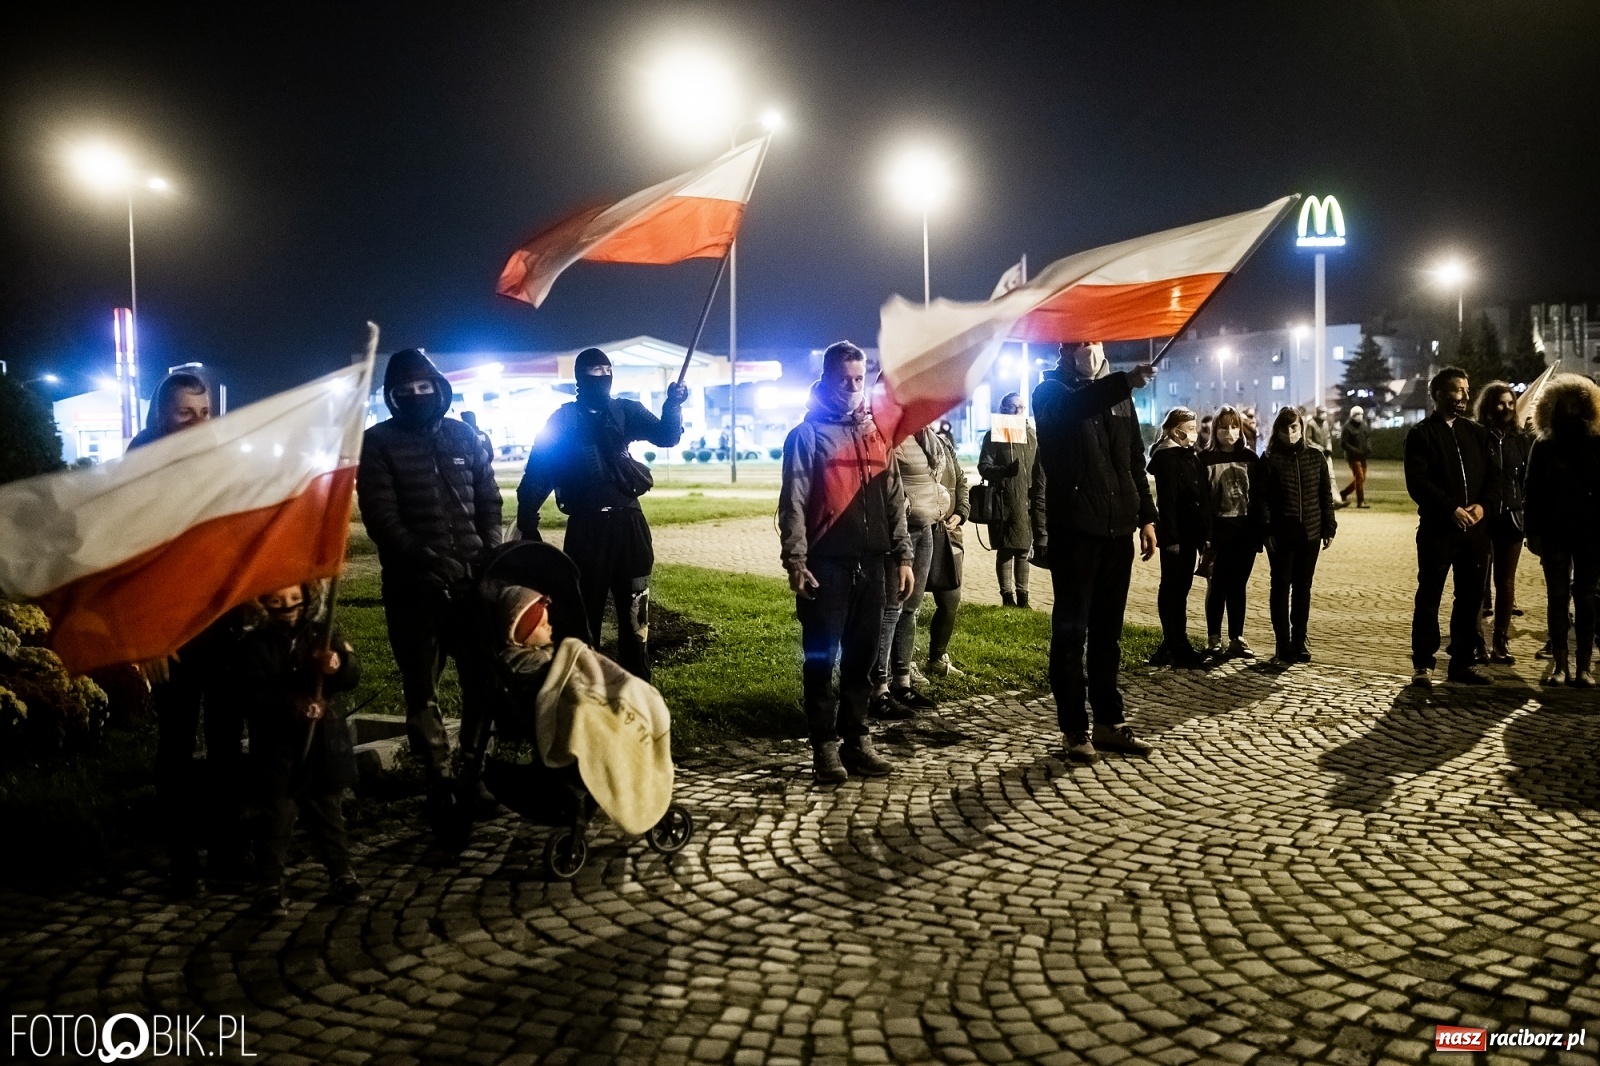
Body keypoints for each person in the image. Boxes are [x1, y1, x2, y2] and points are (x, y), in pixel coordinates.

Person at [357, 348, 504, 816]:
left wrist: (489, 550)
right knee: (422, 689)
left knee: (484, 680)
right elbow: (381, 515)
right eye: (405, 391)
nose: (417, 396)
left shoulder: (465, 436)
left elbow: (490, 500)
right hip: (412, 589)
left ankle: (472, 773)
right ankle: (437, 778)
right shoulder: (377, 444)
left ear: (439, 388)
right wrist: (421, 557)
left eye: (424, 388)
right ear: (392, 396)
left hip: (472, 584)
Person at [128, 371, 249, 895]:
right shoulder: (137, 470)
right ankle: (182, 861)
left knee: (227, 743)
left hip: (222, 624)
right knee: (175, 747)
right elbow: (133, 560)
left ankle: (227, 851)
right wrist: (148, 636)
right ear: (162, 415)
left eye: (204, 414)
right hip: (171, 632)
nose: (198, 424)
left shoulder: (222, 461)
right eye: (186, 414)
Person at [779, 342, 913, 783]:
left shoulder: (877, 433)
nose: (854, 388)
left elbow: (894, 499)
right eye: (845, 380)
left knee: (862, 660)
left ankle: (857, 742)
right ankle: (824, 749)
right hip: (826, 566)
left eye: (860, 380)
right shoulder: (807, 435)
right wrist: (796, 561)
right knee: (821, 660)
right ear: (827, 378)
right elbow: (793, 504)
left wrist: (903, 556)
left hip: (872, 567)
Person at [517, 348, 688, 681]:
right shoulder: (562, 420)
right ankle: (585, 686)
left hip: (630, 527)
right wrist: (528, 520)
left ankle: (638, 688)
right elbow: (539, 473)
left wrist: (673, 405)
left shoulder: (624, 410)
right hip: (587, 530)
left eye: (606, 370)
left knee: (636, 613)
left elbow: (667, 436)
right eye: (594, 371)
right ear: (580, 377)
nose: (601, 376)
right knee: (583, 616)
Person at [1031, 342, 1158, 762]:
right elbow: (1073, 412)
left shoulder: (1116, 395)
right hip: (1076, 530)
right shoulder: (1050, 392)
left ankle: (1109, 721)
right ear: (1065, 350)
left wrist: (1146, 517)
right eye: (1081, 343)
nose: (1089, 349)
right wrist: (1123, 383)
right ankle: (1074, 729)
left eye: (1095, 342)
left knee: (1108, 634)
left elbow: (1134, 460)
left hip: (1117, 527)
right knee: (1071, 634)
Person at [236, 583, 366, 917]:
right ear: (263, 604)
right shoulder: (254, 646)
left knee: (327, 814)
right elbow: (253, 694)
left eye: (294, 599)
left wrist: (337, 665)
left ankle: (342, 874)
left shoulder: (322, 634)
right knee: (276, 818)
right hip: (278, 749)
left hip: (321, 744)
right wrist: (294, 705)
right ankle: (269, 885)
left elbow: (351, 674)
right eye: (276, 601)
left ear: (307, 598)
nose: (288, 607)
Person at [1403, 366, 1501, 686]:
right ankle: (1423, 663)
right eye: (1458, 390)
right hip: (1437, 531)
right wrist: (1450, 509)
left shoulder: (1476, 433)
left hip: (1474, 533)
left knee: (1469, 597)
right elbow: (1418, 482)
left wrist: (1482, 506)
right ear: (1439, 395)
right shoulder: (1422, 434)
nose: (1465, 396)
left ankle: (1461, 661)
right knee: (1429, 595)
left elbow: (1493, 477)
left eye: (1466, 390)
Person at [1523, 374, 1600, 687]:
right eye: (1564, 402)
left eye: (1576, 402)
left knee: (1585, 598)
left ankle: (1583, 665)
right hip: (1554, 532)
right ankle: (1560, 664)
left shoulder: (1597, 442)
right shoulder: (1543, 445)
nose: (1570, 408)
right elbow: (1531, 489)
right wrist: (1532, 531)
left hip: (1591, 533)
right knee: (1557, 599)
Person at [872, 427, 952, 717]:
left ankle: (902, 682)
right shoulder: (887, 435)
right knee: (892, 608)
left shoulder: (926, 436)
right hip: (899, 531)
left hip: (925, 528)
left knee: (911, 609)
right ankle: (878, 687)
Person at [1258, 407, 1337, 664]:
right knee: (1280, 587)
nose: (1290, 433)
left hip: (1310, 533)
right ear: (1277, 430)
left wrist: (1329, 526)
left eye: (1294, 428)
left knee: (1303, 588)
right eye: (1285, 428)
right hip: (1281, 536)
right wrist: (1267, 529)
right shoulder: (1269, 459)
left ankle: (1299, 639)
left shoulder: (1315, 457)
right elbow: (1261, 500)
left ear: (1302, 427)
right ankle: (1283, 643)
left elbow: (1325, 494)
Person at [1147, 408, 1212, 669]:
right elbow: (1169, 502)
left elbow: (1202, 495)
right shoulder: (1168, 458)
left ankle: (1173, 642)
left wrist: (1205, 534)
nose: (1194, 433)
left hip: (1191, 534)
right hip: (1177, 536)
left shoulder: (1188, 455)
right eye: (1191, 428)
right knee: (1173, 589)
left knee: (1180, 590)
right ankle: (1177, 644)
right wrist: (1171, 538)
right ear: (1176, 430)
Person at [1200, 406, 1263, 659]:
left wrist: (1258, 533)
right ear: (1215, 429)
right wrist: (1205, 536)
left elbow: (1259, 498)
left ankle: (1236, 636)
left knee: (1238, 586)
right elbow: (1202, 501)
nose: (1230, 431)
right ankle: (1213, 637)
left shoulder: (1250, 459)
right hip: (1217, 534)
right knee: (1217, 586)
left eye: (1234, 426)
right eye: (1224, 426)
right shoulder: (1204, 460)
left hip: (1244, 533)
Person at [1475, 383, 1530, 664]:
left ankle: (1500, 640)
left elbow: (1525, 481)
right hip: (1483, 518)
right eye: (1501, 403)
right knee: (1476, 581)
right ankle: (1476, 642)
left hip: (1511, 516)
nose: (1507, 408)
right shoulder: (1478, 436)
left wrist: (1523, 513)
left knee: (1505, 583)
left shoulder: (1519, 440)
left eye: (1511, 403)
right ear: (1488, 406)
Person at [977, 393, 1044, 607]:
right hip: (1003, 501)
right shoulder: (994, 436)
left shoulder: (1032, 436)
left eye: (1021, 407)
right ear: (1003, 409)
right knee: (1006, 549)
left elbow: (1039, 470)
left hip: (1026, 501)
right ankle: (1007, 596)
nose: (1018, 411)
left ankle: (1023, 596)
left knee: (1024, 549)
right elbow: (984, 467)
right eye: (1013, 407)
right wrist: (1003, 471)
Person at [926, 427, 970, 677]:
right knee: (908, 605)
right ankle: (901, 664)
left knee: (950, 598)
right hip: (918, 532)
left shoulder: (943, 444)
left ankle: (937, 658)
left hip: (948, 533)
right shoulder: (901, 443)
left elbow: (961, 480)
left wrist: (961, 511)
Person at [1339, 406, 1372, 508]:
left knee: (1361, 479)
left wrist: (1368, 448)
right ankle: (1360, 501)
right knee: (1360, 477)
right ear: (1353, 416)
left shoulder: (1363, 426)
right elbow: (1343, 443)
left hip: (1363, 457)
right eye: (1357, 414)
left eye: (1361, 414)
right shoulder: (1347, 427)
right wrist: (1355, 451)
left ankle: (1344, 493)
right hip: (1353, 457)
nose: (1360, 416)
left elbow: (1367, 439)